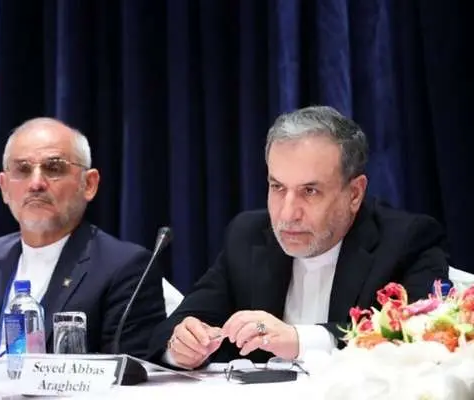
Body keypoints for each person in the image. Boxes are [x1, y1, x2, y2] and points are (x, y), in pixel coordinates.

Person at [148, 105, 449, 369]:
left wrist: (299, 340)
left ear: (355, 193)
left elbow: (420, 338)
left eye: (310, 191)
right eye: (277, 187)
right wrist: (182, 347)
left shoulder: (406, 241)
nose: (287, 213)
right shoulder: (248, 236)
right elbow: (172, 330)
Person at [0, 117, 166, 359]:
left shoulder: (125, 268)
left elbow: (129, 372)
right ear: (4, 187)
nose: (36, 183)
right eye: (22, 169)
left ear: (89, 184)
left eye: (54, 168)